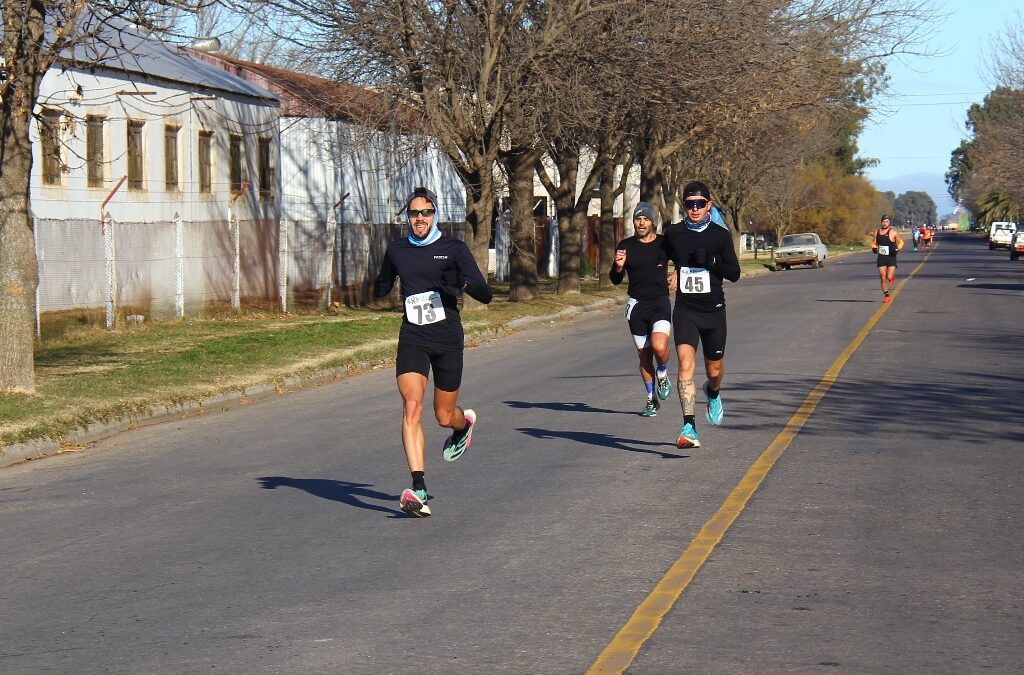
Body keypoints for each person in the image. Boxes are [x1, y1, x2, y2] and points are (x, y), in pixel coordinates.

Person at [373, 187, 494, 517]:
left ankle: (462, 425)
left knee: (443, 415)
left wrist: (465, 284)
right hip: (413, 335)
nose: (419, 219)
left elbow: (487, 294)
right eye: (413, 214)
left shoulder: (452, 248)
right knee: (411, 405)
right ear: (407, 218)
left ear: (435, 214)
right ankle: (419, 486)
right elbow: (382, 283)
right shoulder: (398, 249)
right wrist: (379, 285)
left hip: (447, 337)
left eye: (425, 213)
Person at [661, 181, 741, 449]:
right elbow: (663, 256)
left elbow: (735, 273)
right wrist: (671, 271)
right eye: (689, 204)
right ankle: (688, 426)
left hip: (714, 311)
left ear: (709, 205)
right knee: (685, 364)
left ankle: (714, 392)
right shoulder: (673, 233)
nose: (694, 209)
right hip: (686, 310)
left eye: (699, 204)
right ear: (684, 206)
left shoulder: (719, 235)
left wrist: (712, 262)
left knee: (714, 369)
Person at [610, 202, 673, 417]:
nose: (641, 222)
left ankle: (663, 372)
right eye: (638, 219)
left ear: (652, 222)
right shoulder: (626, 245)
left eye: (645, 219)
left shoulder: (664, 244)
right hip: (637, 306)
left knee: (659, 345)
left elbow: (683, 260)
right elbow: (615, 279)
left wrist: (678, 273)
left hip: (659, 302)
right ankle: (650, 399)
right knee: (644, 356)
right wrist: (618, 266)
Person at [872, 214, 904, 304]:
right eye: (883, 221)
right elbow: (874, 243)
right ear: (881, 222)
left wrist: (897, 249)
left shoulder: (893, 232)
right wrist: (874, 248)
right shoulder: (877, 232)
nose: (885, 223)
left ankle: (891, 277)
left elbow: (901, 242)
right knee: (883, 278)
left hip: (891, 257)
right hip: (881, 257)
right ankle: (886, 296)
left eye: (887, 221)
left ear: (889, 222)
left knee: (889, 276)